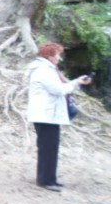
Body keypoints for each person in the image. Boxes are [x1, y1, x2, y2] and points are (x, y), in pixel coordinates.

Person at [26, 42, 92, 192]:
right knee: (48, 148)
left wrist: (76, 82)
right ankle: (45, 180)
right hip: (46, 115)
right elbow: (57, 90)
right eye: (57, 55)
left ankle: (49, 178)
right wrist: (75, 84)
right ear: (49, 56)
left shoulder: (45, 69)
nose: (59, 58)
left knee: (50, 147)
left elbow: (60, 87)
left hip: (48, 114)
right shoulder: (43, 70)